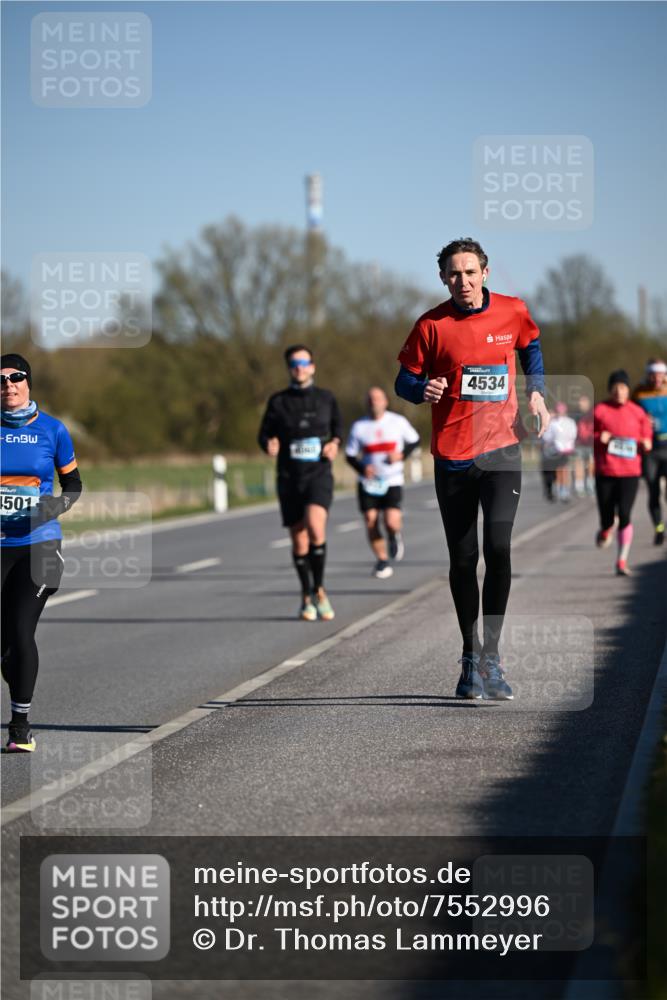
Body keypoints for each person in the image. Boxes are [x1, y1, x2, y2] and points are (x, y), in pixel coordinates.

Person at [396, 237, 549, 701]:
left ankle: (493, 658)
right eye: (453, 274)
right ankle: (469, 654)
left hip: (501, 452)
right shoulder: (431, 325)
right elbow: (404, 378)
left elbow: (532, 346)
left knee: (498, 549)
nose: (462, 281)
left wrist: (536, 390)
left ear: (485, 272)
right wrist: (421, 389)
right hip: (454, 456)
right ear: (443, 278)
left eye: (469, 272)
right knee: (464, 559)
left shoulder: (512, 310)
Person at [1, 353, 82, 752]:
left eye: (16, 378)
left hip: (41, 544)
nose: (9, 386)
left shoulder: (53, 430)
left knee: (20, 630)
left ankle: (20, 728)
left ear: (28, 383)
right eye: (1, 381)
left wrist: (48, 509)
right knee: (5, 645)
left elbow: (73, 488)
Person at [258, 345, 342, 621]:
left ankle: (319, 589)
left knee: (316, 528)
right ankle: (306, 593)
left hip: (318, 474)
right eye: (294, 363)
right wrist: (268, 443)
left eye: (304, 362)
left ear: (312, 366)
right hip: (289, 475)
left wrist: (334, 444)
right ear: (289, 368)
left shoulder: (326, 398)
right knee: (299, 538)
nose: (300, 367)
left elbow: (338, 430)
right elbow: (265, 434)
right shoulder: (278, 401)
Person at [345, 387, 420, 579]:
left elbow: (414, 441)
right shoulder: (359, 426)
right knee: (370, 521)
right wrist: (363, 469)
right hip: (368, 482)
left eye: (377, 399)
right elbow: (350, 455)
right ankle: (382, 560)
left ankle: (394, 536)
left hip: (392, 479)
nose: (374, 402)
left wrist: (401, 455)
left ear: (385, 401)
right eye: (370, 399)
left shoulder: (397, 422)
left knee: (391, 521)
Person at [594, 369, 652, 576]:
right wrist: (598, 436)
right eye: (615, 387)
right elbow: (584, 435)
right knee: (607, 518)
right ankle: (605, 528)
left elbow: (647, 437)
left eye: (623, 387)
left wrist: (646, 443)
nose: (619, 391)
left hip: (630, 472)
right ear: (610, 390)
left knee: (626, 514)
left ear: (628, 390)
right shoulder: (600, 410)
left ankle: (621, 560)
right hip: (606, 471)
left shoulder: (637, 412)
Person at [632, 359, 667, 545]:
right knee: (653, 491)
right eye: (653, 374)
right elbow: (629, 414)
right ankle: (659, 527)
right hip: (650, 448)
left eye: (660, 374)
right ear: (648, 375)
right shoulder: (639, 392)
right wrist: (642, 422)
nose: (657, 378)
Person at [540, 401, 577, 501]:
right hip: (555, 450)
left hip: (565, 449)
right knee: (558, 471)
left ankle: (564, 489)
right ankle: (560, 488)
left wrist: (566, 442)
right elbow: (548, 437)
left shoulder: (570, 422)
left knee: (563, 470)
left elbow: (573, 434)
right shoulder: (553, 423)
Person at [573, 394, 595, 497]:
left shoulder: (593, 414)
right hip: (579, 444)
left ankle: (590, 485)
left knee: (591, 465)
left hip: (591, 444)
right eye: (580, 402)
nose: (581, 404)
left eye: (583, 402)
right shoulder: (575, 415)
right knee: (579, 465)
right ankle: (579, 486)